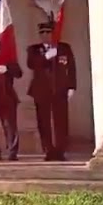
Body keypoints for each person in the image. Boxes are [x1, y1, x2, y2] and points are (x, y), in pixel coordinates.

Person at [25, 22, 76, 161]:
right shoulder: (34, 49)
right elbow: (31, 64)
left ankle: (61, 150)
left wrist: (72, 86)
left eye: (48, 32)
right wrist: (46, 56)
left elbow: (71, 68)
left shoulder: (64, 48)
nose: (45, 35)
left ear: (53, 33)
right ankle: (48, 150)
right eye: (42, 33)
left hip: (60, 89)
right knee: (44, 122)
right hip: (41, 90)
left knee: (61, 121)